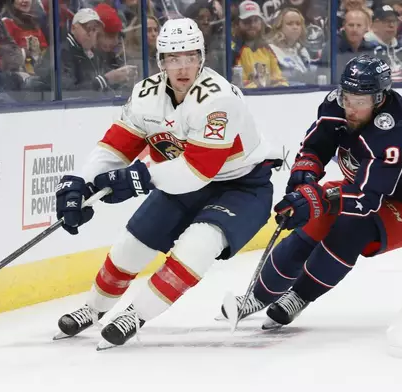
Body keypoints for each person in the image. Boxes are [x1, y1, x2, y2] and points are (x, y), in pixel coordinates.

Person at [54, 17, 281, 349]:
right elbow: (117, 146)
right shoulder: (146, 94)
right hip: (177, 182)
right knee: (129, 248)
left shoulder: (219, 99)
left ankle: (136, 313)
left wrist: (140, 177)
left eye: (190, 56)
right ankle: (92, 308)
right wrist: (80, 183)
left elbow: (198, 171)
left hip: (241, 187)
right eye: (173, 58)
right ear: (161, 62)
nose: (183, 66)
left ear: (202, 58)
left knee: (197, 247)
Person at [220, 54, 402, 329]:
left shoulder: (395, 134)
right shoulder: (337, 104)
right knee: (312, 223)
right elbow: (315, 147)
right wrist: (304, 182)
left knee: (352, 227)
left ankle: (299, 297)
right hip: (363, 187)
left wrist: (316, 200)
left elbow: (366, 200)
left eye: (360, 102)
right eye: (347, 97)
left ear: (380, 99)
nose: (350, 108)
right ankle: (257, 296)